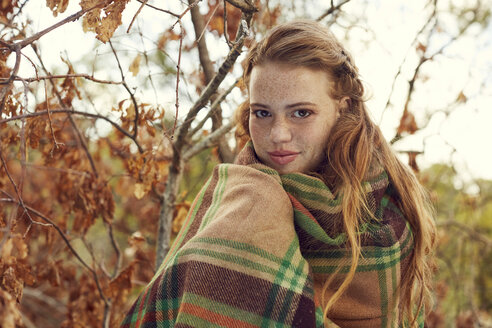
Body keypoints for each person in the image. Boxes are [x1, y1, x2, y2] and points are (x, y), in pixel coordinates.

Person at [121, 20, 436, 328]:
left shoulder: (388, 212)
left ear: (343, 107)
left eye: (301, 113)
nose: (278, 135)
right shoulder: (244, 201)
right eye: (263, 113)